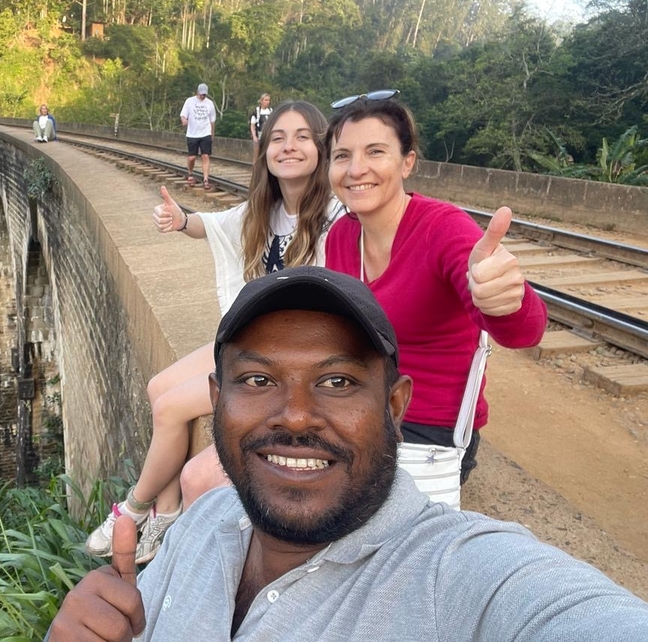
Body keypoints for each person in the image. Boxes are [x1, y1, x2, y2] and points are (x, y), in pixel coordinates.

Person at [48, 267, 648, 641]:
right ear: (217, 400)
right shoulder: (202, 524)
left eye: (337, 382)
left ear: (395, 405)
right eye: (258, 380)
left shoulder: (459, 576)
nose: (297, 414)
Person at [180, 91, 547, 504]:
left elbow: (524, 332)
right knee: (220, 480)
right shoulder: (342, 236)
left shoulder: (443, 230)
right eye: (342, 156)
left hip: (426, 434)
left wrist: (503, 299)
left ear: (407, 161)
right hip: (353, 413)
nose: (357, 170)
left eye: (375, 152)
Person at [84, 101, 344, 565]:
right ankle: (165, 514)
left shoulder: (337, 217)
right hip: (253, 345)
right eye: (279, 138)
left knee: (169, 408)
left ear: (323, 148)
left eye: (303, 136)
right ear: (264, 151)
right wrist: (182, 220)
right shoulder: (265, 210)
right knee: (157, 387)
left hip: (287, 364)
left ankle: (133, 508)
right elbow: (216, 226)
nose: (289, 146)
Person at [179, 83, 217, 189]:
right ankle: (190, 173)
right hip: (192, 134)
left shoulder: (210, 104)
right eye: (201, 94)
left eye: (204, 94)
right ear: (197, 92)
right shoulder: (189, 101)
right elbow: (183, 114)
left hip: (205, 133)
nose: (203, 96)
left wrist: (212, 134)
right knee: (192, 158)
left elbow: (212, 121)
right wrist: (184, 120)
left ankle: (205, 179)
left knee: (205, 156)